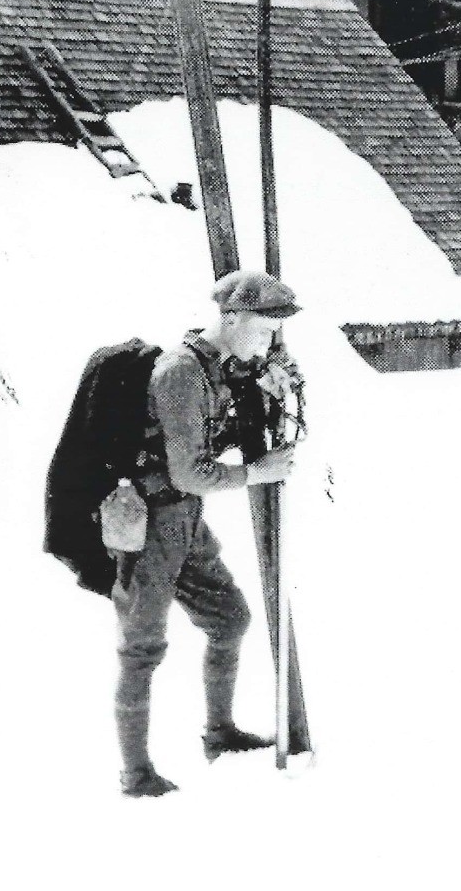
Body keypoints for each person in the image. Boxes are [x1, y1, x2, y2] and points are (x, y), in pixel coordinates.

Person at [113, 269, 300, 798]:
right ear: (234, 317)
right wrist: (256, 473)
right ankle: (135, 776)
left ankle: (219, 733)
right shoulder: (180, 372)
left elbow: (216, 439)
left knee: (229, 617)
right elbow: (188, 471)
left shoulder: (219, 369)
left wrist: (272, 386)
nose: (268, 342)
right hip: (149, 523)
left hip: (183, 521)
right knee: (141, 648)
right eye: (263, 330)